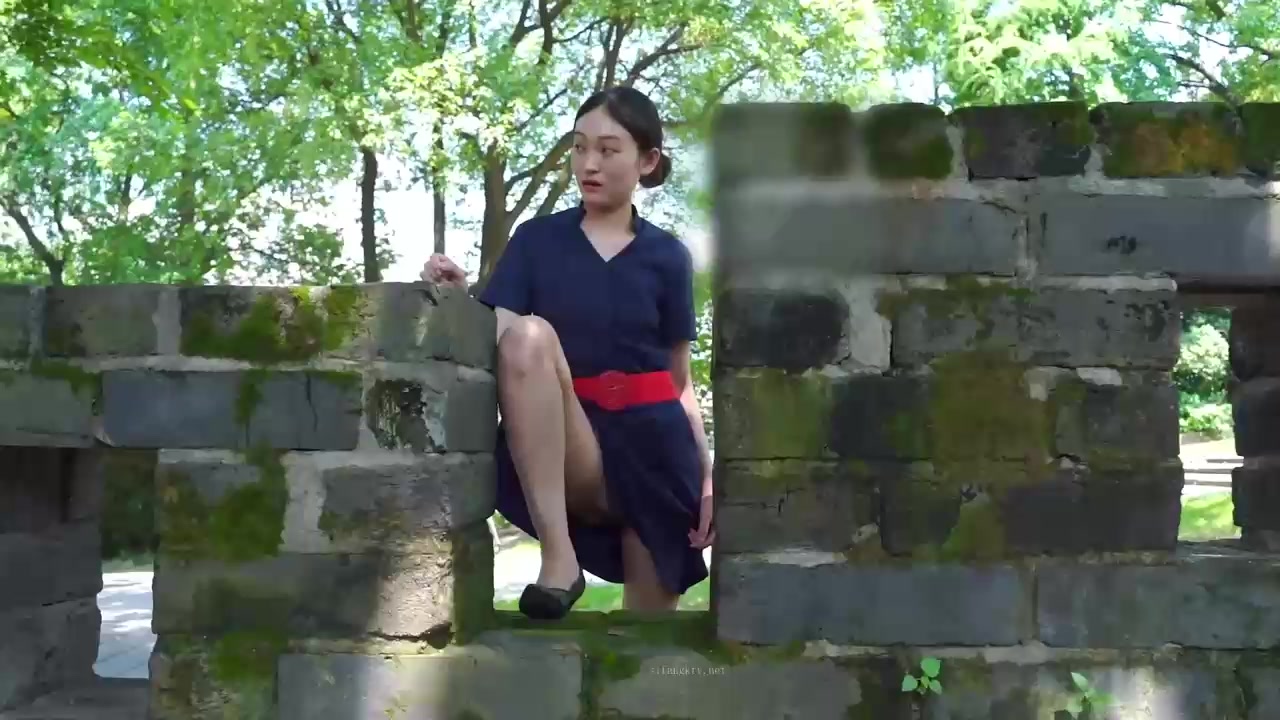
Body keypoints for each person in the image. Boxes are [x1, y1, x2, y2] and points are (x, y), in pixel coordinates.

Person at [421, 86, 714, 620]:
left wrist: (709, 476)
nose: (588, 163)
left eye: (607, 149)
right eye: (579, 147)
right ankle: (560, 561)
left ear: (647, 161)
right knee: (529, 336)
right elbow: (500, 337)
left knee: (648, 643)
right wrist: (461, 302)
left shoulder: (669, 256)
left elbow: (680, 384)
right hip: (575, 444)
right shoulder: (537, 241)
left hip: (659, 455)